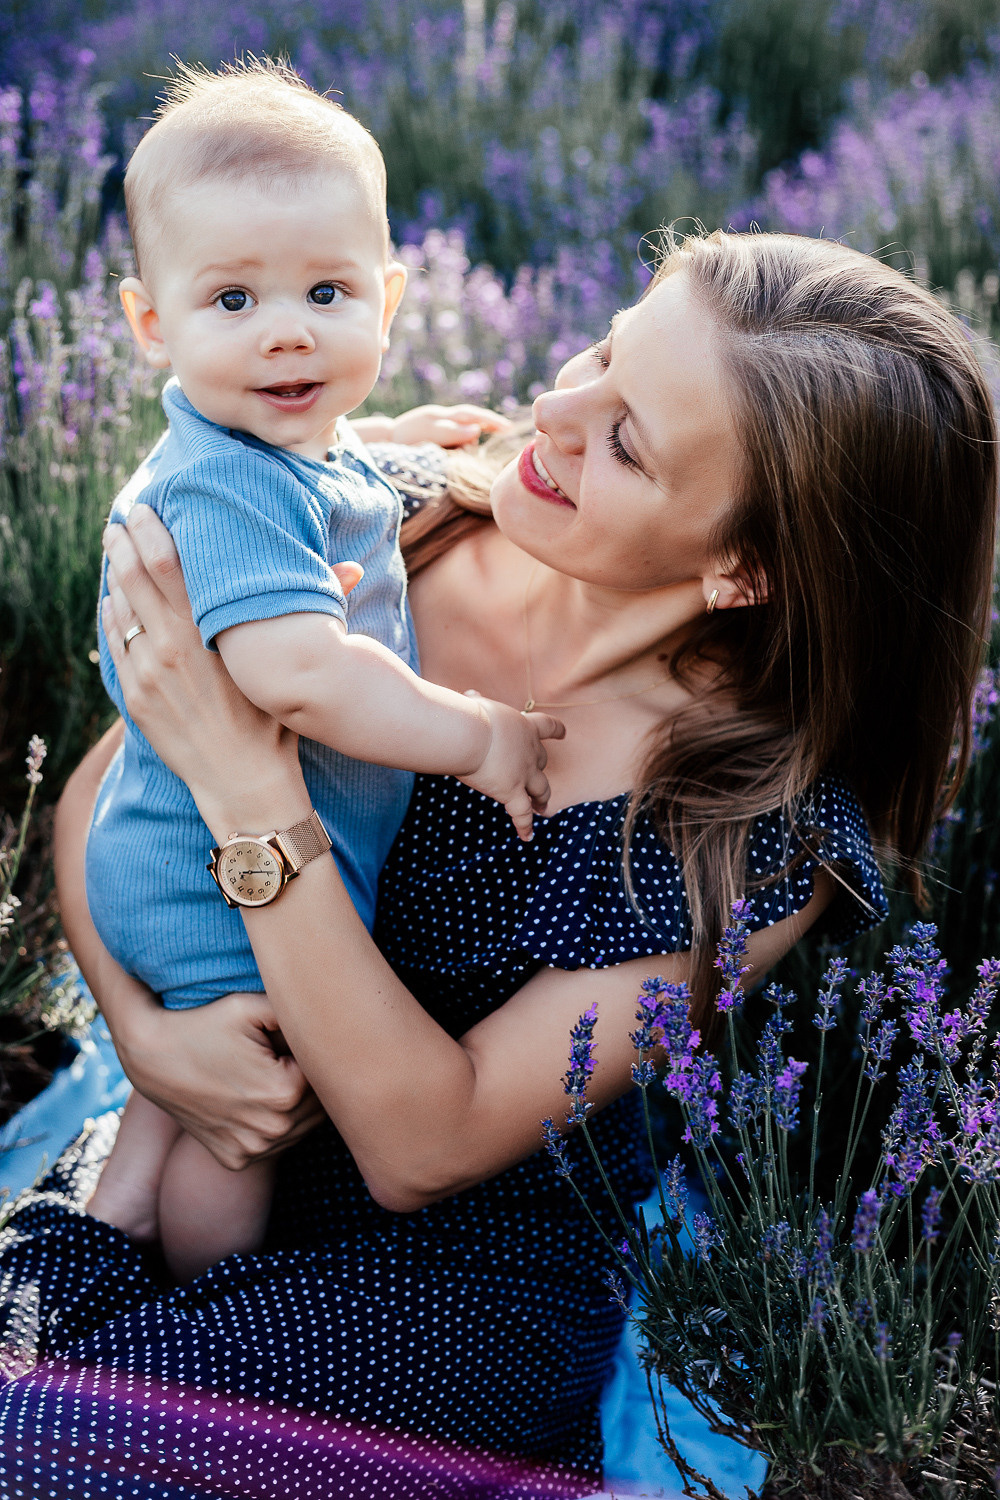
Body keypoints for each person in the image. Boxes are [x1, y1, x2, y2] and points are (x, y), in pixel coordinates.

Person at [0, 228, 995, 1499]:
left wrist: (251, 787)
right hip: (193, 1125)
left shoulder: (737, 822)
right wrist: (144, 1038)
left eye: (627, 437)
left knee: (39, 1461)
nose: (556, 407)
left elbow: (426, 1142)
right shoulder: (389, 512)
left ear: (743, 567)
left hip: (446, 1282)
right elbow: (107, 790)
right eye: (600, 354)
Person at [84, 58, 554, 1282]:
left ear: (389, 303)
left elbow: (319, 472)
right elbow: (300, 674)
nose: (287, 329)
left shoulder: (279, 446)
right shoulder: (223, 488)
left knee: (209, 1101)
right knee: (241, 1121)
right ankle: (193, 1291)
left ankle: (131, 1208)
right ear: (152, 326)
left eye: (327, 290)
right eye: (231, 301)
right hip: (205, 885)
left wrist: (386, 442)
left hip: (181, 847)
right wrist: (474, 734)